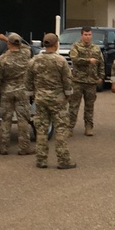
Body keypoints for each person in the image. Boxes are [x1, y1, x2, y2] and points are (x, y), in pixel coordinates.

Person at [25, 33, 76, 169]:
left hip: (40, 99)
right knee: (60, 129)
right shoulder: (60, 61)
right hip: (57, 99)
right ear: (56, 44)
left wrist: (31, 94)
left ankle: (41, 160)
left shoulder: (34, 60)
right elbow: (67, 80)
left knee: (41, 130)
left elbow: (28, 80)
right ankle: (63, 160)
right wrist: (68, 94)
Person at [0, 33, 35, 156]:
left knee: (5, 120)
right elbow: (27, 47)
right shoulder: (26, 54)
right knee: (23, 120)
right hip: (22, 91)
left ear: (8, 44)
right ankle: (24, 148)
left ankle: (3, 147)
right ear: (19, 43)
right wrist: (9, 39)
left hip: (6, 92)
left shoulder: (2, 59)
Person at [67, 26, 104, 135]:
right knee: (73, 106)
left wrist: (101, 76)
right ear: (81, 35)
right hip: (78, 81)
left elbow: (100, 63)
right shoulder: (76, 46)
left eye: (89, 35)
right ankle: (69, 128)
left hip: (91, 82)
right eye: (85, 35)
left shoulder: (96, 48)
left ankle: (88, 127)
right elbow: (74, 59)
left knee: (89, 106)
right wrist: (88, 61)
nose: (88, 37)